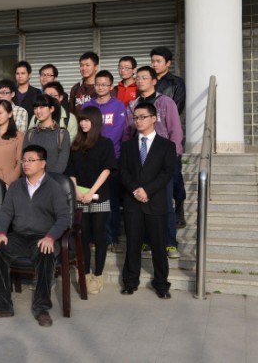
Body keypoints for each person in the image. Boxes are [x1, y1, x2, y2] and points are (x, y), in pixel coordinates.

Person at [0, 144, 69, 327]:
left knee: (46, 252)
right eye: (24, 160)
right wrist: (1, 233)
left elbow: (64, 218)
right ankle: (2, 305)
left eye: (31, 160)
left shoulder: (54, 188)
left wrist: (50, 237)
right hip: (19, 236)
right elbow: (5, 212)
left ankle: (41, 309)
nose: (26, 164)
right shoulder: (16, 186)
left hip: (43, 237)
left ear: (43, 163)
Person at [123, 66, 183, 259]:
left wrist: (174, 157)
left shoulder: (165, 102)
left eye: (144, 77)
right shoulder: (132, 105)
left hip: (161, 159)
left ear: (154, 81)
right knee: (141, 202)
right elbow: (127, 133)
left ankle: (170, 242)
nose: (140, 81)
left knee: (165, 202)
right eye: (138, 78)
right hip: (139, 159)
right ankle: (146, 240)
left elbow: (175, 131)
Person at [120, 102, 176, 299]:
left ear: (154, 118)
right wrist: (136, 190)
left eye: (142, 117)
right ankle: (130, 282)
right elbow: (123, 171)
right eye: (135, 118)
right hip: (133, 201)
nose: (138, 121)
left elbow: (167, 172)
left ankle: (161, 284)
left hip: (156, 202)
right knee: (132, 244)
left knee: (159, 246)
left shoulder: (167, 145)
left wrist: (148, 190)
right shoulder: (127, 146)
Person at [65, 106, 117, 294]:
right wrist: (77, 191)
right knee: (83, 236)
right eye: (81, 120)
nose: (83, 123)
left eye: (87, 120)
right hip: (80, 196)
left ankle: (98, 275)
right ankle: (85, 273)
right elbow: (70, 170)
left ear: (95, 122)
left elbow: (107, 169)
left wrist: (91, 192)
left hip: (99, 196)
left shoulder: (105, 144)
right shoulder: (75, 145)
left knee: (99, 236)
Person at [82, 70, 127, 252]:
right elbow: (84, 129)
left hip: (112, 158)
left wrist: (102, 148)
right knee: (92, 200)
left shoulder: (118, 106)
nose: (100, 87)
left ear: (111, 86)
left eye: (104, 84)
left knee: (112, 201)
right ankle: (94, 238)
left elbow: (117, 132)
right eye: (97, 84)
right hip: (90, 158)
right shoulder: (88, 106)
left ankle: (112, 238)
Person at [151, 46, 187, 228]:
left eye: (158, 61)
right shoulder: (148, 80)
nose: (154, 64)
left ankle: (179, 204)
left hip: (168, 136)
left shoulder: (176, 83)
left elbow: (176, 109)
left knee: (175, 174)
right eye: (153, 61)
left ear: (168, 63)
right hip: (149, 137)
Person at [24, 94, 70, 174]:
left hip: (53, 179)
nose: (38, 111)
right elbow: (24, 159)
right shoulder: (30, 133)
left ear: (51, 109)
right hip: (31, 179)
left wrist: (45, 180)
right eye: (35, 108)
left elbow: (61, 164)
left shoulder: (62, 134)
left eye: (42, 107)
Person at [69, 51, 100, 116]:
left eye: (87, 65)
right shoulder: (76, 88)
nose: (84, 68)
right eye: (81, 65)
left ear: (96, 67)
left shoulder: (102, 88)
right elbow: (71, 113)